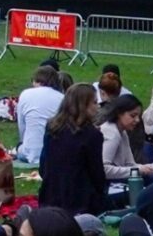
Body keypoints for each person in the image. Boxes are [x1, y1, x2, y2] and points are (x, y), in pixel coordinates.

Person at [39, 83, 107, 215]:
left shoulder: (52, 128)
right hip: (79, 200)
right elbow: (96, 172)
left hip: (50, 195)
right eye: (94, 103)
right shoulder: (91, 135)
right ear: (83, 105)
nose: (97, 106)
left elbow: (44, 164)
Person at [99, 93, 153, 183]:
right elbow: (103, 169)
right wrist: (137, 170)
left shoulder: (122, 132)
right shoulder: (112, 133)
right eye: (132, 116)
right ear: (119, 114)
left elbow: (130, 164)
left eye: (138, 116)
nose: (137, 120)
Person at [14, 66, 65, 163]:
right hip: (54, 152)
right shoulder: (61, 98)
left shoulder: (26, 94)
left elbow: (22, 125)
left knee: (20, 148)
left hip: (29, 151)